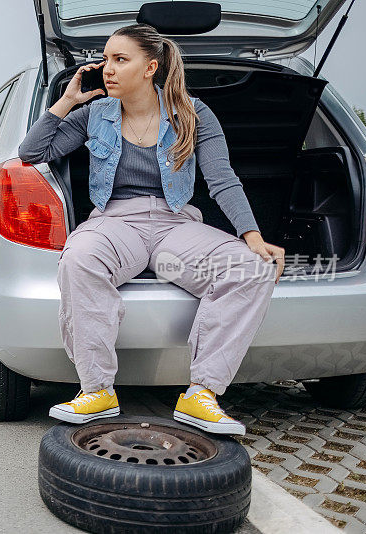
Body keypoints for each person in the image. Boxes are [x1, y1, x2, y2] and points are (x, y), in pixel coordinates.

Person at [17, 23, 286, 435]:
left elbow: (221, 178)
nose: (107, 68)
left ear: (150, 68)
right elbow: (32, 152)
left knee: (250, 268)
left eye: (120, 59)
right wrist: (66, 101)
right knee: (80, 259)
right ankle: (97, 389)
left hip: (173, 226)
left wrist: (252, 237)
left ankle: (202, 393)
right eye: (105, 59)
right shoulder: (93, 115)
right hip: (114, 222)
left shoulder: (192, 114)